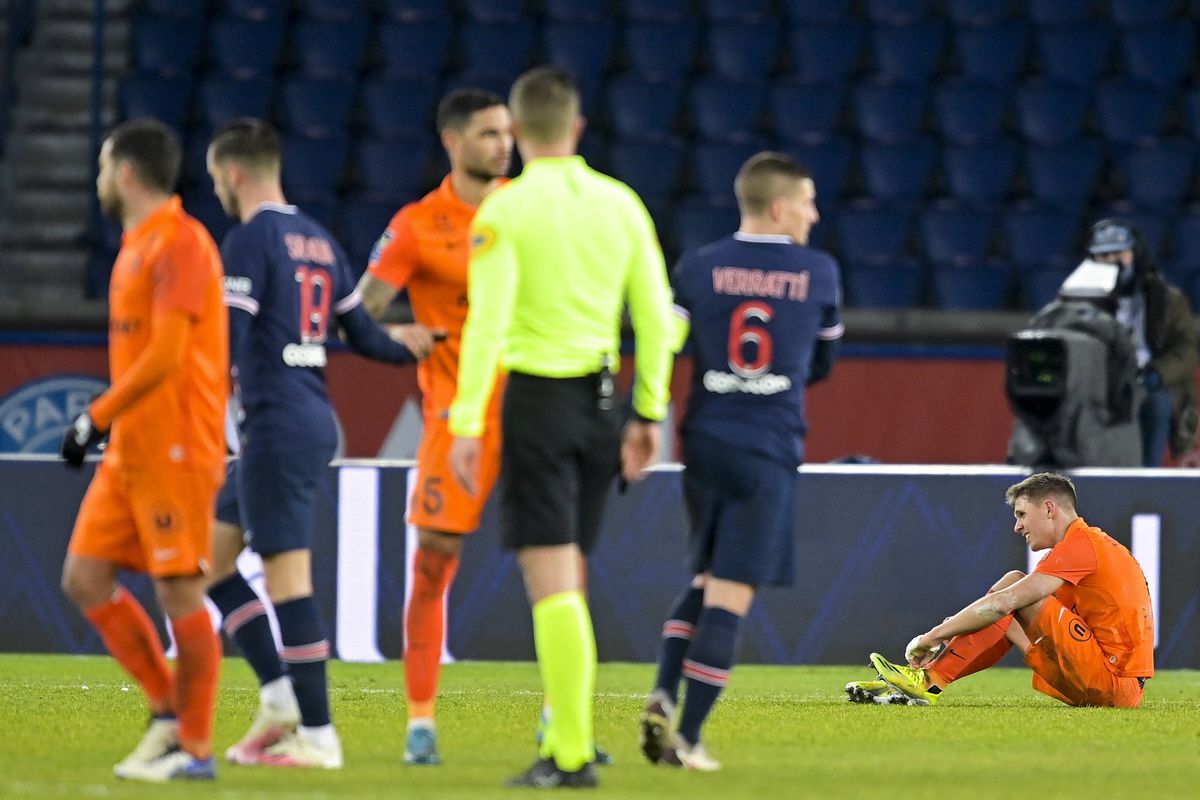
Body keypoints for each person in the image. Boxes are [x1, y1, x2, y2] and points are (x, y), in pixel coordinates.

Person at [447, 66, 675, 789]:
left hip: (539, 404)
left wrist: (462, 421)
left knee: (550, 581)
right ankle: (566, 738)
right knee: (570, 572)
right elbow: (657, 317)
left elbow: (485, 325)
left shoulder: (504, 213)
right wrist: (647, 412)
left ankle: (569, 754)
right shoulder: (622, 205)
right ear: (576, 128)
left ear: (516, 131)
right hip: (604, 403)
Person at [202, 119, 436, 770]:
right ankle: (278, 699)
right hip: (304, 419)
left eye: (217, 177)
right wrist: (408, 344)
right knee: (211, 560)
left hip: (275, 423)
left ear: (235, 174)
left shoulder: (250, 240)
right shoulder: (319, 240)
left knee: (286, 580)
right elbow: (362, 334)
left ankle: (319, 734)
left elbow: (221, 340)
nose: (217, 187)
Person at [640, 152, 843, 772]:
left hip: (704, 437)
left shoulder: (698, 267)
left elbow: (663, 343)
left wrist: (644, 414)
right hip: (768, 442)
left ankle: (661, 697)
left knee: (705, 575)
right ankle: (691, 739)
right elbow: (823, 363)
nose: (814, 212)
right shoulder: (817, 272)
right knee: (732, 591)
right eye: (807, 201)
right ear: (780, 207)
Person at [59, 118, 227, 782]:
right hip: (133, 448)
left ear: (126, 173)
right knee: (84, 578)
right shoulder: (136, 245)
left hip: (178, 446)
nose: (100, 180)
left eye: (104, 167)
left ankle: (196, 748)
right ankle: (165, 713)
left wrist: (93, 416)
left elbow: (165, 355)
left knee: (180, 591)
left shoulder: (182, 243)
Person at [354, 88, 513, 766]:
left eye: (507, 132)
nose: (503, 144)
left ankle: (556, 719)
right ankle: (421, 722)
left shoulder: (526, 210)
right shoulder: (419, 224)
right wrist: (399, 337)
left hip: (533, 412)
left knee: (556, 566)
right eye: (487, 133)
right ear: (452, 140)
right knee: (433, 564)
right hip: (455, 416)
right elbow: (358, 310)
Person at [847, 471, 1153, 709]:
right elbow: (1001, 613)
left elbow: (1004, 603)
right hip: (1111, 679)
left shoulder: (1082, 545)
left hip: (1113, 683)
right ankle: (926, 681)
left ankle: (927, 680)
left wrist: (932, 636)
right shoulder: (1083, 547)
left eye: (1021, 514)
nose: (1017, 527)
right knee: (1011, 597)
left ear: (1049, 509)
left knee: (1012, 588)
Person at [1085, 219, 1198, 467]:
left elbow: (1187, 348)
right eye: (1104, 255)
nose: (1112, 260)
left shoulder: (1167, 298)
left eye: (1119, 253)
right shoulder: (1082, 301)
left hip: (1149, 380)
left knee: (1156, 405)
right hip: (1098, 382)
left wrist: (1159, 373)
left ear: (1135, 254)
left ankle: (1147, 475)